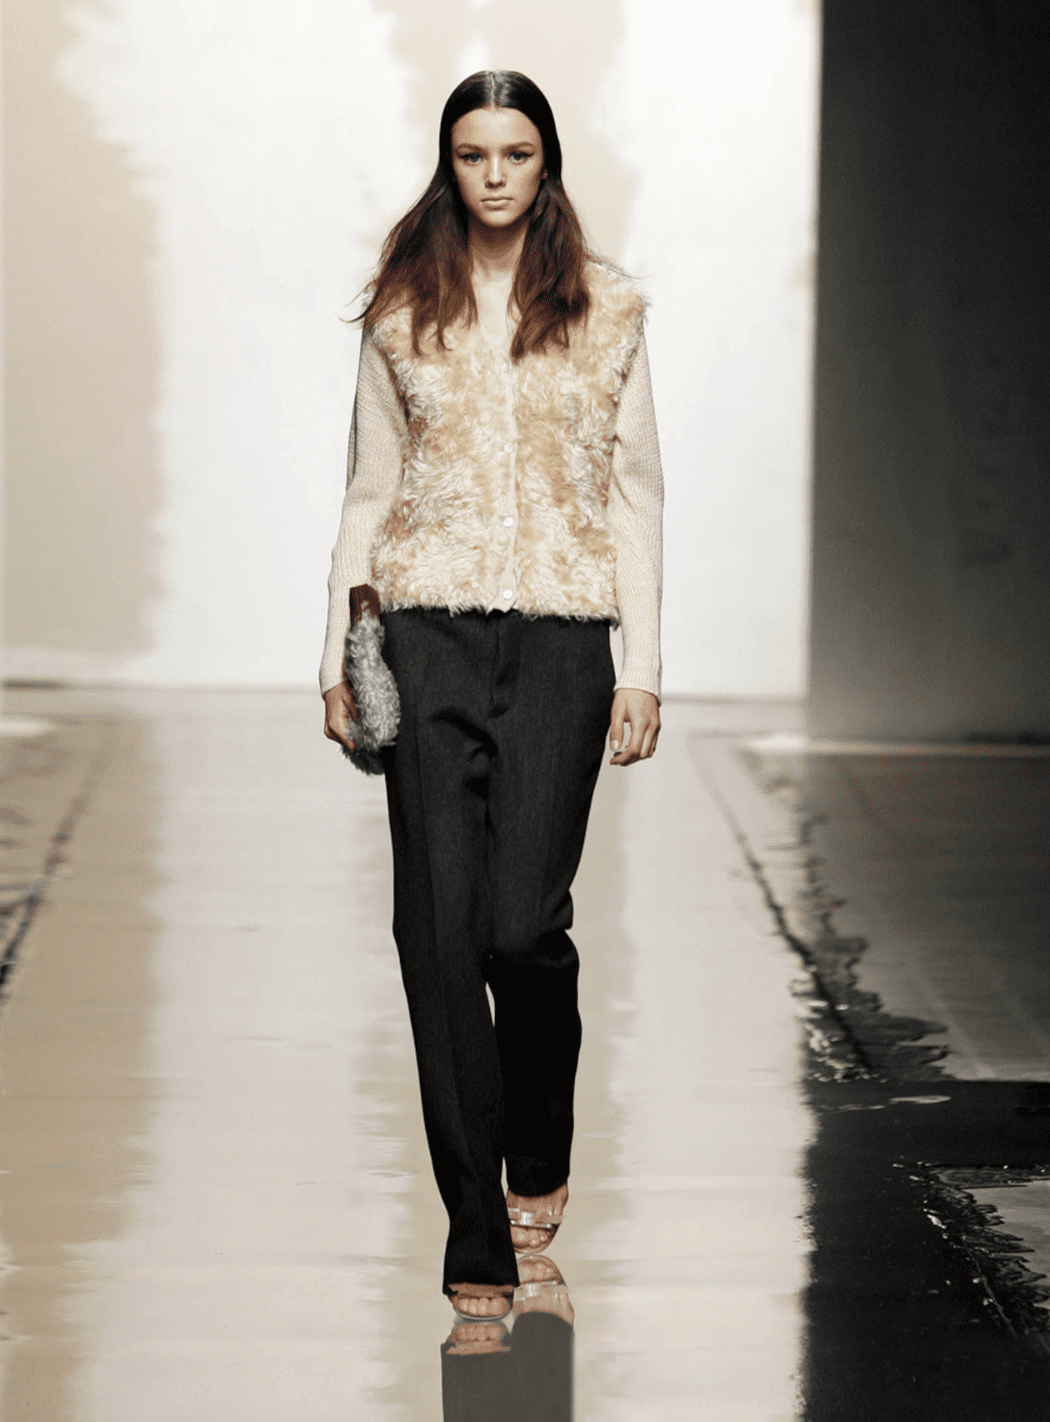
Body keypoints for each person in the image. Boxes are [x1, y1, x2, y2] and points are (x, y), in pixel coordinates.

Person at [320, 69, 663, 1321]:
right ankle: (477, 1231)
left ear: (546, 162)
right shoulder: (403, 309)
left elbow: (635, 492)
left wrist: (644, 666)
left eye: (517, 153)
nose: (497, 175)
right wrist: (338, 654)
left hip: (565, 645)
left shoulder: (607, 308)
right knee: (436, 931)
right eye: (474, 154)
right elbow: (370, 489)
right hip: (427, 635)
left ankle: (540, 1154)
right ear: (449, 165)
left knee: (523, 928)